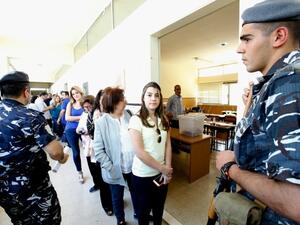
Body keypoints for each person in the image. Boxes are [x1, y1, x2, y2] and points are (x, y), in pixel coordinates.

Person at [216, 0, 300, 224]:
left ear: (279, 36)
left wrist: (229, 168)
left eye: (247, 39)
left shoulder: (289, 86)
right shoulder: (272, 84)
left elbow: (295, 201)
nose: (238, 48)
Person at [0, 71, 68, 225]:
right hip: (34, 191)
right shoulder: (29, 116)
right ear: (26, 92)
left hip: (6, 194)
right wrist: (63, 157)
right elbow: (56, 152)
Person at [128, 81, 173, 225]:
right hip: (143, 177)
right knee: (143, 215)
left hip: (161, 176)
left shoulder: (164, 119)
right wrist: (163, 169)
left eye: (157, 95)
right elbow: (139, 152)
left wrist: (168, 169)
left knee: (159, 211)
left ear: (160, 99)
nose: (153, 98)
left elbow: (168, 145)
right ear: (143, 98)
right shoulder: (136, 120)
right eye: (149, 95)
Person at [94, 87, 135, 225]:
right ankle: (121, 220)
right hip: (115, 168)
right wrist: (110, 168)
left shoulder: (129, 115)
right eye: (123, 99)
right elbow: (98, 150)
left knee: (136, 193)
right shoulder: (101, 122)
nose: (126, 101)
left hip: (133, 166)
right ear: (115, 103)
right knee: (117, 196)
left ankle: (138, 212)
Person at [86, 89, 113, 215]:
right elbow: (92, 133)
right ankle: (107, 205)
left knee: (113, 180)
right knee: (104, 182)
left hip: (113, 152)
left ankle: (114, 202)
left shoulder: (113, 112)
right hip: (101, 152)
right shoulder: (94, 114)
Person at [65, 86, 84, 183]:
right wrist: (81, 117)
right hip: (71, 130)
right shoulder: (70, 104)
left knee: (89, 150)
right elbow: (67, 118)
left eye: (77, 92)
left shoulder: (85, 103)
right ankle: (79, 172)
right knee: (76, 153)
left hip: (83, 129)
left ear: (80, 92)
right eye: (73, 94)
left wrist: (77, 118)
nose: (75, 95)